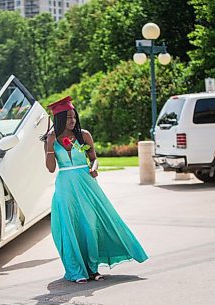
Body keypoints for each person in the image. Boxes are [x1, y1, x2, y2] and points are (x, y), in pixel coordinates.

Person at [44, 96, 148, 284]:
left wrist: (94, 167)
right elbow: (51, 168)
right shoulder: (52, 139)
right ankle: (76, 271)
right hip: (65, 186)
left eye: (74, 116)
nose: (72, 120)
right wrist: (50, 146)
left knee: (90, 226)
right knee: (71, 228)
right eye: (68, 117)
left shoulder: (84, 135)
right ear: (59, 119)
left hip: (86, 183)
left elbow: (93, 158)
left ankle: (93, 269)